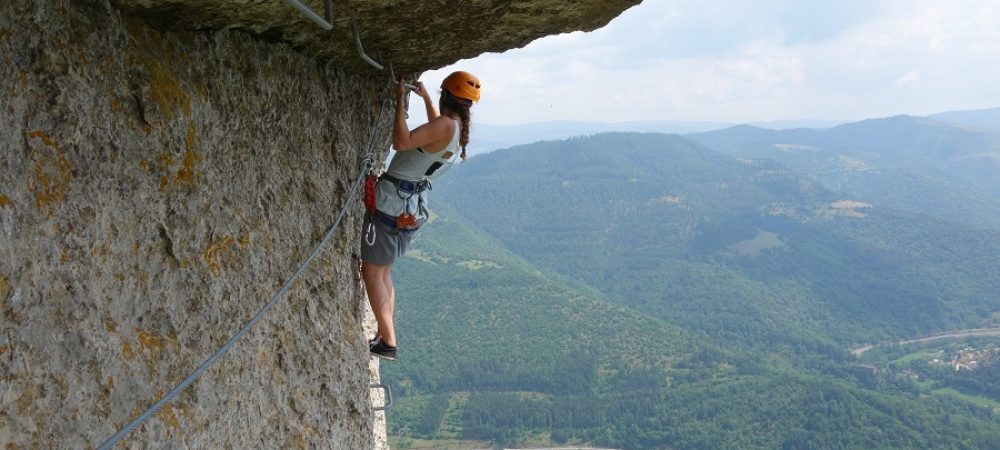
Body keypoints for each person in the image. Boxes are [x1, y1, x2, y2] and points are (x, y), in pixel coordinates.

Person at [362, 71, 481, 360]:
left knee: (372, 271)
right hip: (410, 208)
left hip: (391, 203)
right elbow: (434, 129)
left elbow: (401, 143)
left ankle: (388, 340)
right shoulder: (454, 128)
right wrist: (426, 98)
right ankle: (383, 332)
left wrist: (400, 100)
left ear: (446, 97)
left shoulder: (444, 125)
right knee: (384, 271)